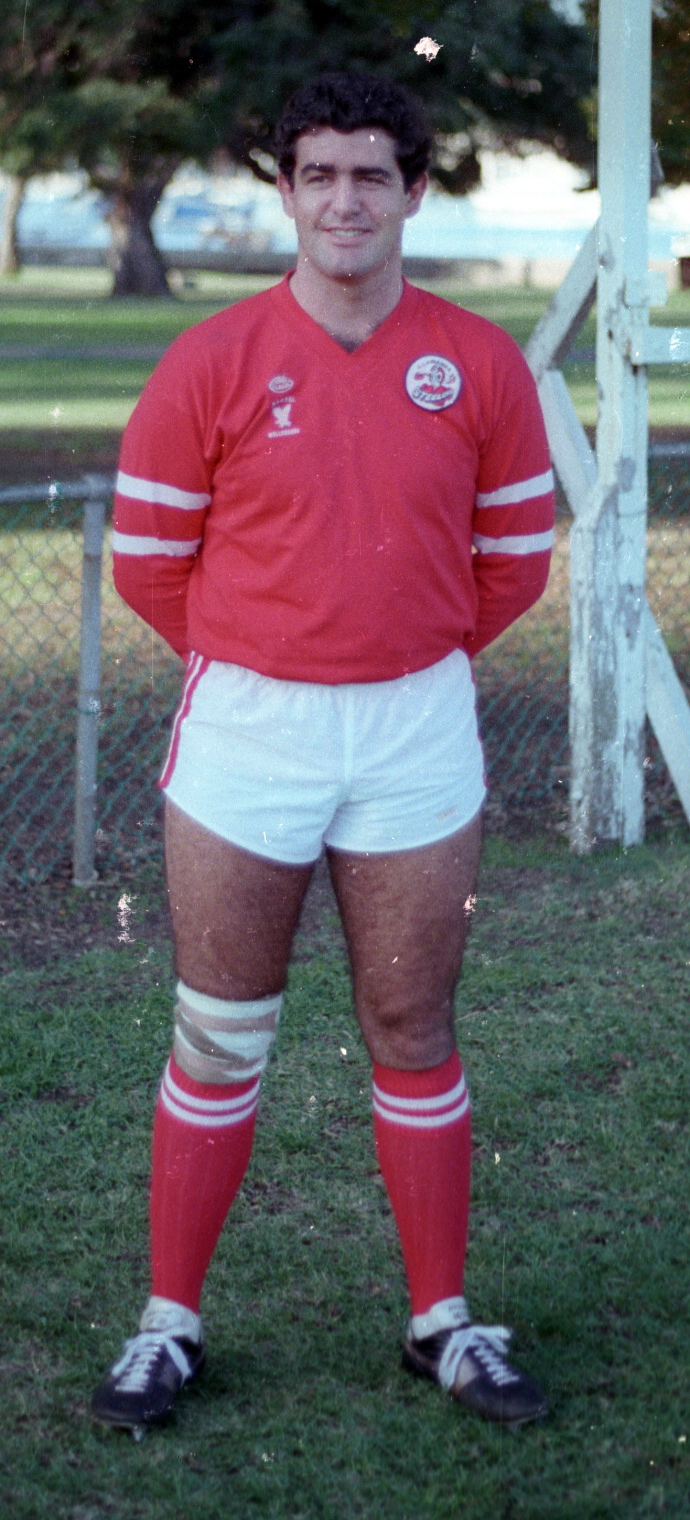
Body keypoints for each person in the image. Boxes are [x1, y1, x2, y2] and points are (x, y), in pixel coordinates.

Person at [92, 71, 555, 1433]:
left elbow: (514, 563)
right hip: (248, 723)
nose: (344, 198)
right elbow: (149, 566)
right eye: (318, 174)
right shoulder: (211, 360)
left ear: (413, 191)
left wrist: (390, 648)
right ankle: (168, 1326)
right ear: (284, 190)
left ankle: (441, 1323)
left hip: (416, 720)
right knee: (221, 1031)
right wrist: (274, 650)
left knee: (413, 1026)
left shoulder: (474, 362)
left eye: (371, 174)